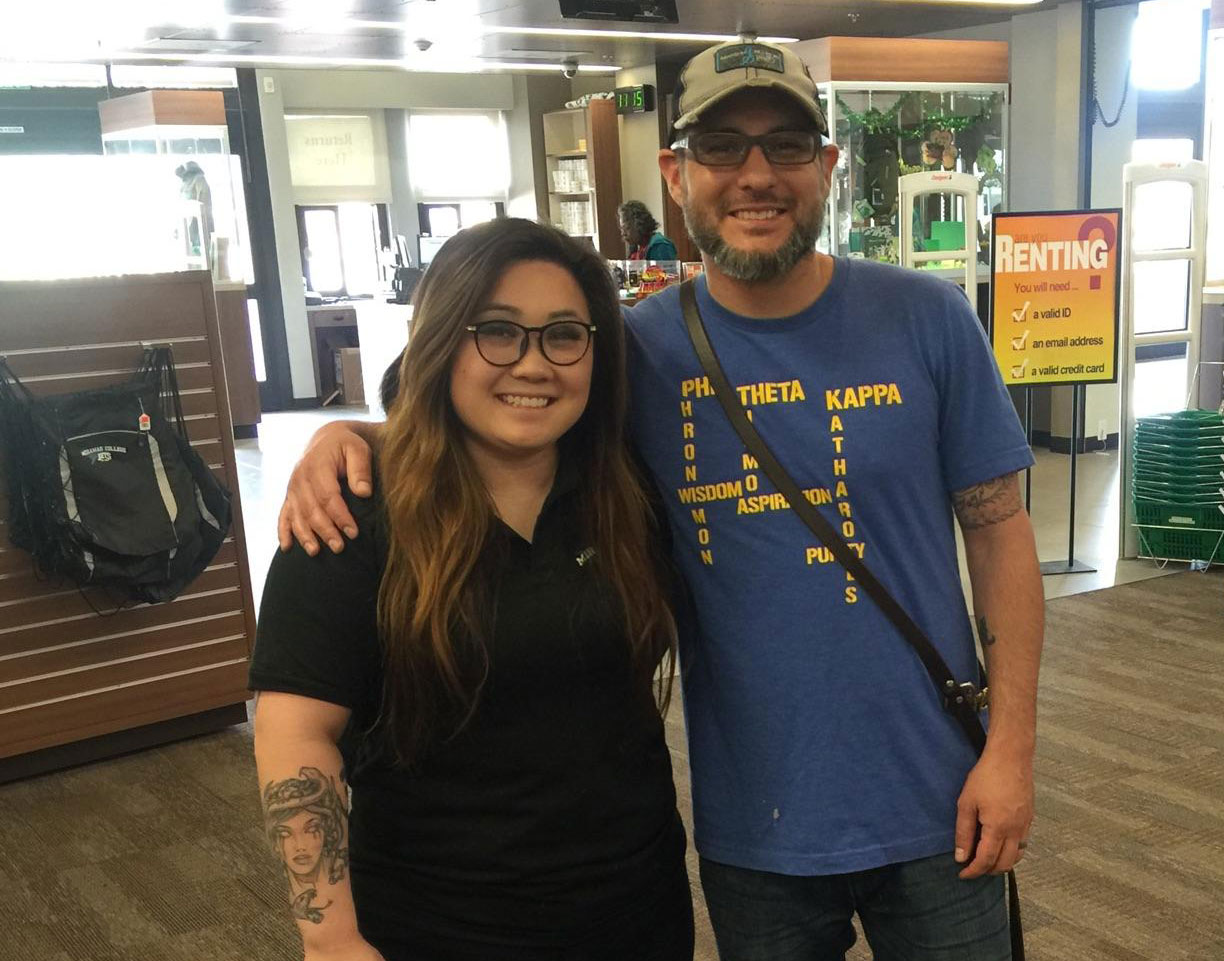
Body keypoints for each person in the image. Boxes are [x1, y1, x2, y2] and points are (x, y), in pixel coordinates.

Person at [278, 40, 1044, 961]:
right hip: (755, 825)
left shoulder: (927, 318)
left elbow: (1000, 538)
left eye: (786, 146)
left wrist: (1012, 749)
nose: (755, 175)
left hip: (943, 799)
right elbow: (497, 406)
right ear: (677, 174)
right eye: (721, 147)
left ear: (827, 167)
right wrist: (347, 439)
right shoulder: (633, 351)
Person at [250, 217, 691, 961]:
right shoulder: (353, 513)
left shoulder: (625, 490)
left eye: (563, 335)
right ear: (441, 343)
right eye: (498, 332)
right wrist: (329, 937)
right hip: (439, 924)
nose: (533, 363)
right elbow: (295, 733)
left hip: (635, 908)